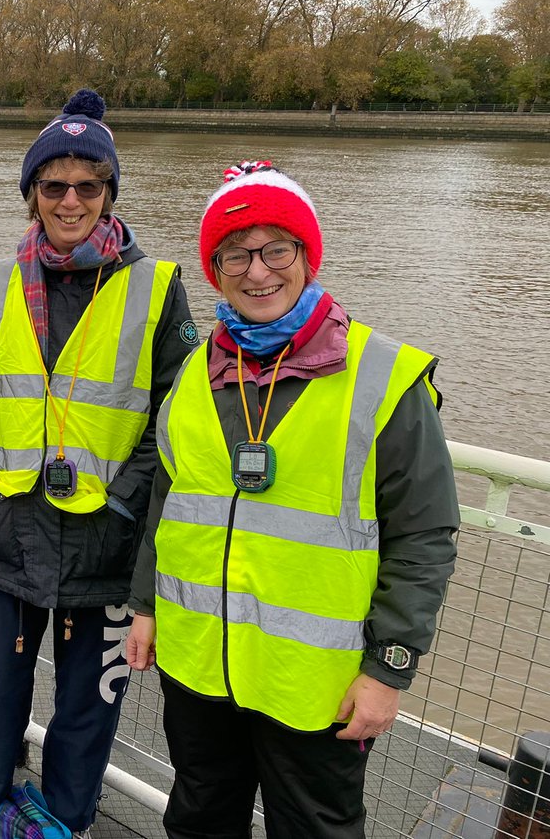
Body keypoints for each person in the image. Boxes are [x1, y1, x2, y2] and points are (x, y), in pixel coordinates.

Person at [125, 161, 459, 839]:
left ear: (308, 256)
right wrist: (145, 607)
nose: (258, 272)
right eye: (235, 254)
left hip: (314, 685)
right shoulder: (194, 372)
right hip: (198, 665)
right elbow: (169, 498)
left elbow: (423, 536)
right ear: (214, 269)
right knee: (198, 816)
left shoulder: (384, 377)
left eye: (277, 249)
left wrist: (389, 668)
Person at [0, 89, 199, 839]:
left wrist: (125, 499)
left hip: (104, 544)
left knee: (89, 705)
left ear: (110, 193)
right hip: (7, 531)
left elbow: (173, 419)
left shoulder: (156, 285)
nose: (71, 200)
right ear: (32, 196)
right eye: (54, 186)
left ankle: (67, 819)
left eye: (89, 185)